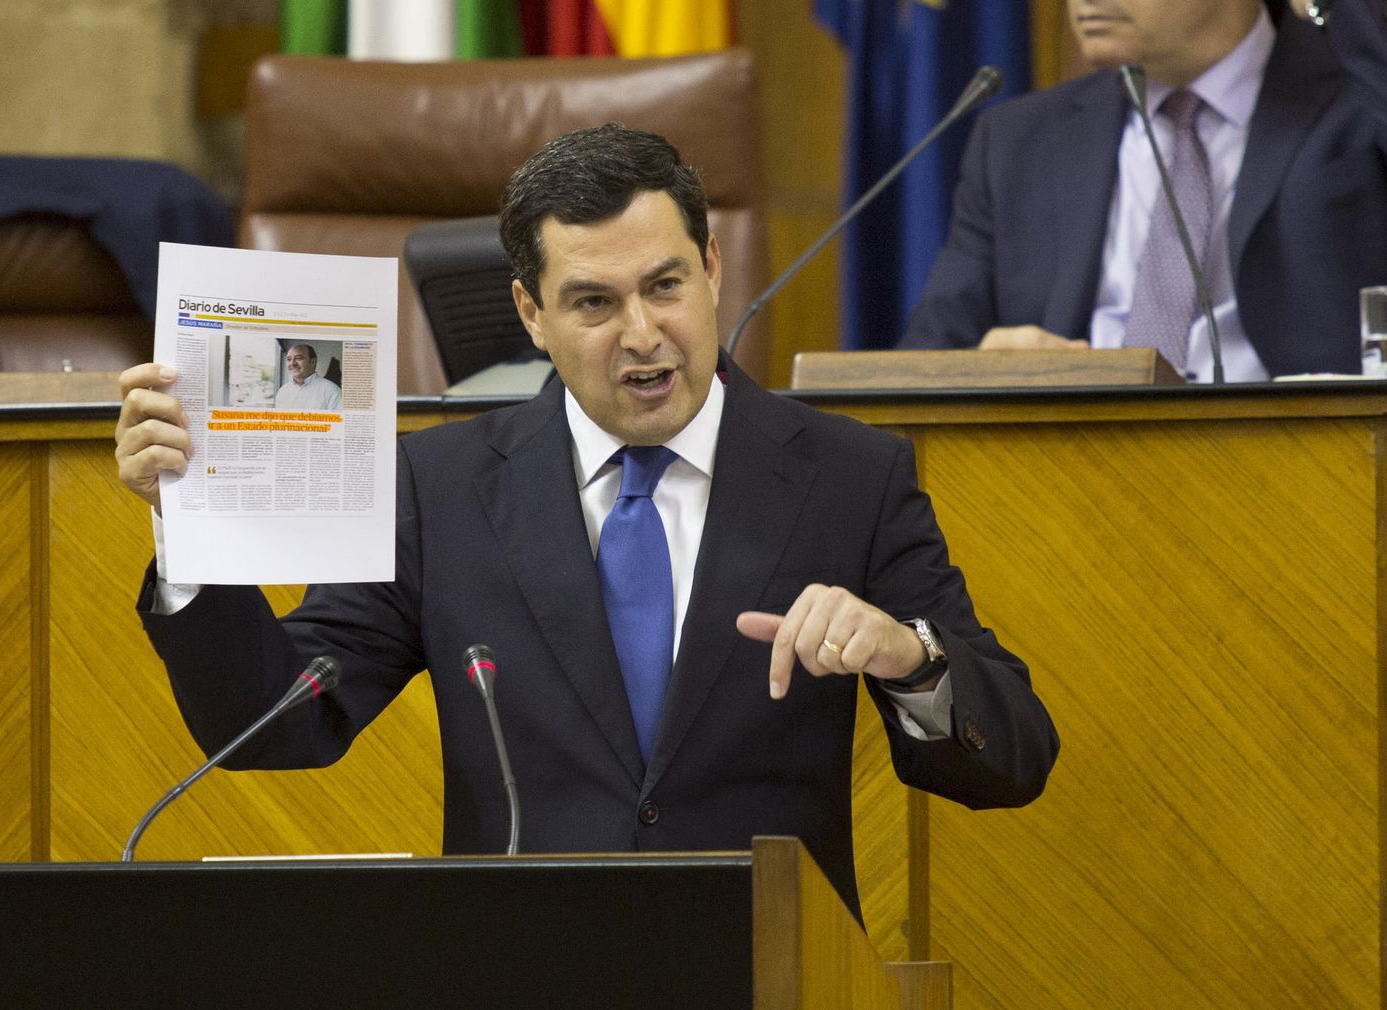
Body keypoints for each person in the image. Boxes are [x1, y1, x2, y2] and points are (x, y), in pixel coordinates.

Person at [114, 124, 1059, 921]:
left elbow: (1015, 758)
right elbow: (281, 725)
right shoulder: (436, 489)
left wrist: (912, 657)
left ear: (714, 268)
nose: (643, 334)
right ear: (530, 312)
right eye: (594, 303)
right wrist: (191, 538)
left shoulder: (853, 475)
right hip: (524, 970)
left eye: (665, 286)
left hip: (771, 966)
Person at [900, 0, 1387, 381]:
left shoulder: (1360, 98)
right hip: (1068, 479)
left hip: (1313, 478)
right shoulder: (1016, 141)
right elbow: (926, 359)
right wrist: (981, 372)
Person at [273, 343, 342, 409]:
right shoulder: (283, 391)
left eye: (298, 358)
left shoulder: (331, 390)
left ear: (312, 362)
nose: (292, 363)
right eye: (289, 359)